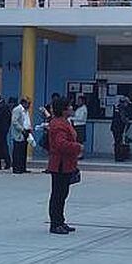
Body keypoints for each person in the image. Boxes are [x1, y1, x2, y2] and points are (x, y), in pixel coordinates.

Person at [46, 97, 82, 234]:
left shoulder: (64, 122)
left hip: (66, 163)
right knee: (58, 194)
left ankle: (60, 220)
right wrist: (77, 147)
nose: (72, 108)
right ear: (63, 109)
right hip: (60, 164)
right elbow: (61, 144)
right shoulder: (59, 125)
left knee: (62, 194)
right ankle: (55, 223)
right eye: (69, 106)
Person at [10, 97, 36, 174]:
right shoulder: (17, 110)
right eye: (28, 104)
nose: (29, 105)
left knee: (23, 151)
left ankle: (22, 167)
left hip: (26, 132)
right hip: (19, 133)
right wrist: (22, 129)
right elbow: (14, 122)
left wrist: (29, 128)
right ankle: (16, 168)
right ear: (23, 103)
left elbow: (26, 120)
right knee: (18, 151)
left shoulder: (26, 111)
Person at [111, 96, 132, 161]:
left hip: (115, 127)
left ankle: (117, 156)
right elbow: (123, 118)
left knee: (117, 141)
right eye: (127, 103)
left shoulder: (117, 107)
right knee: (118, 142)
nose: (127, 105)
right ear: (124, 102)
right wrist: (127, 122)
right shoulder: (122, 108)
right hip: (118, 127)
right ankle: (118, 157)